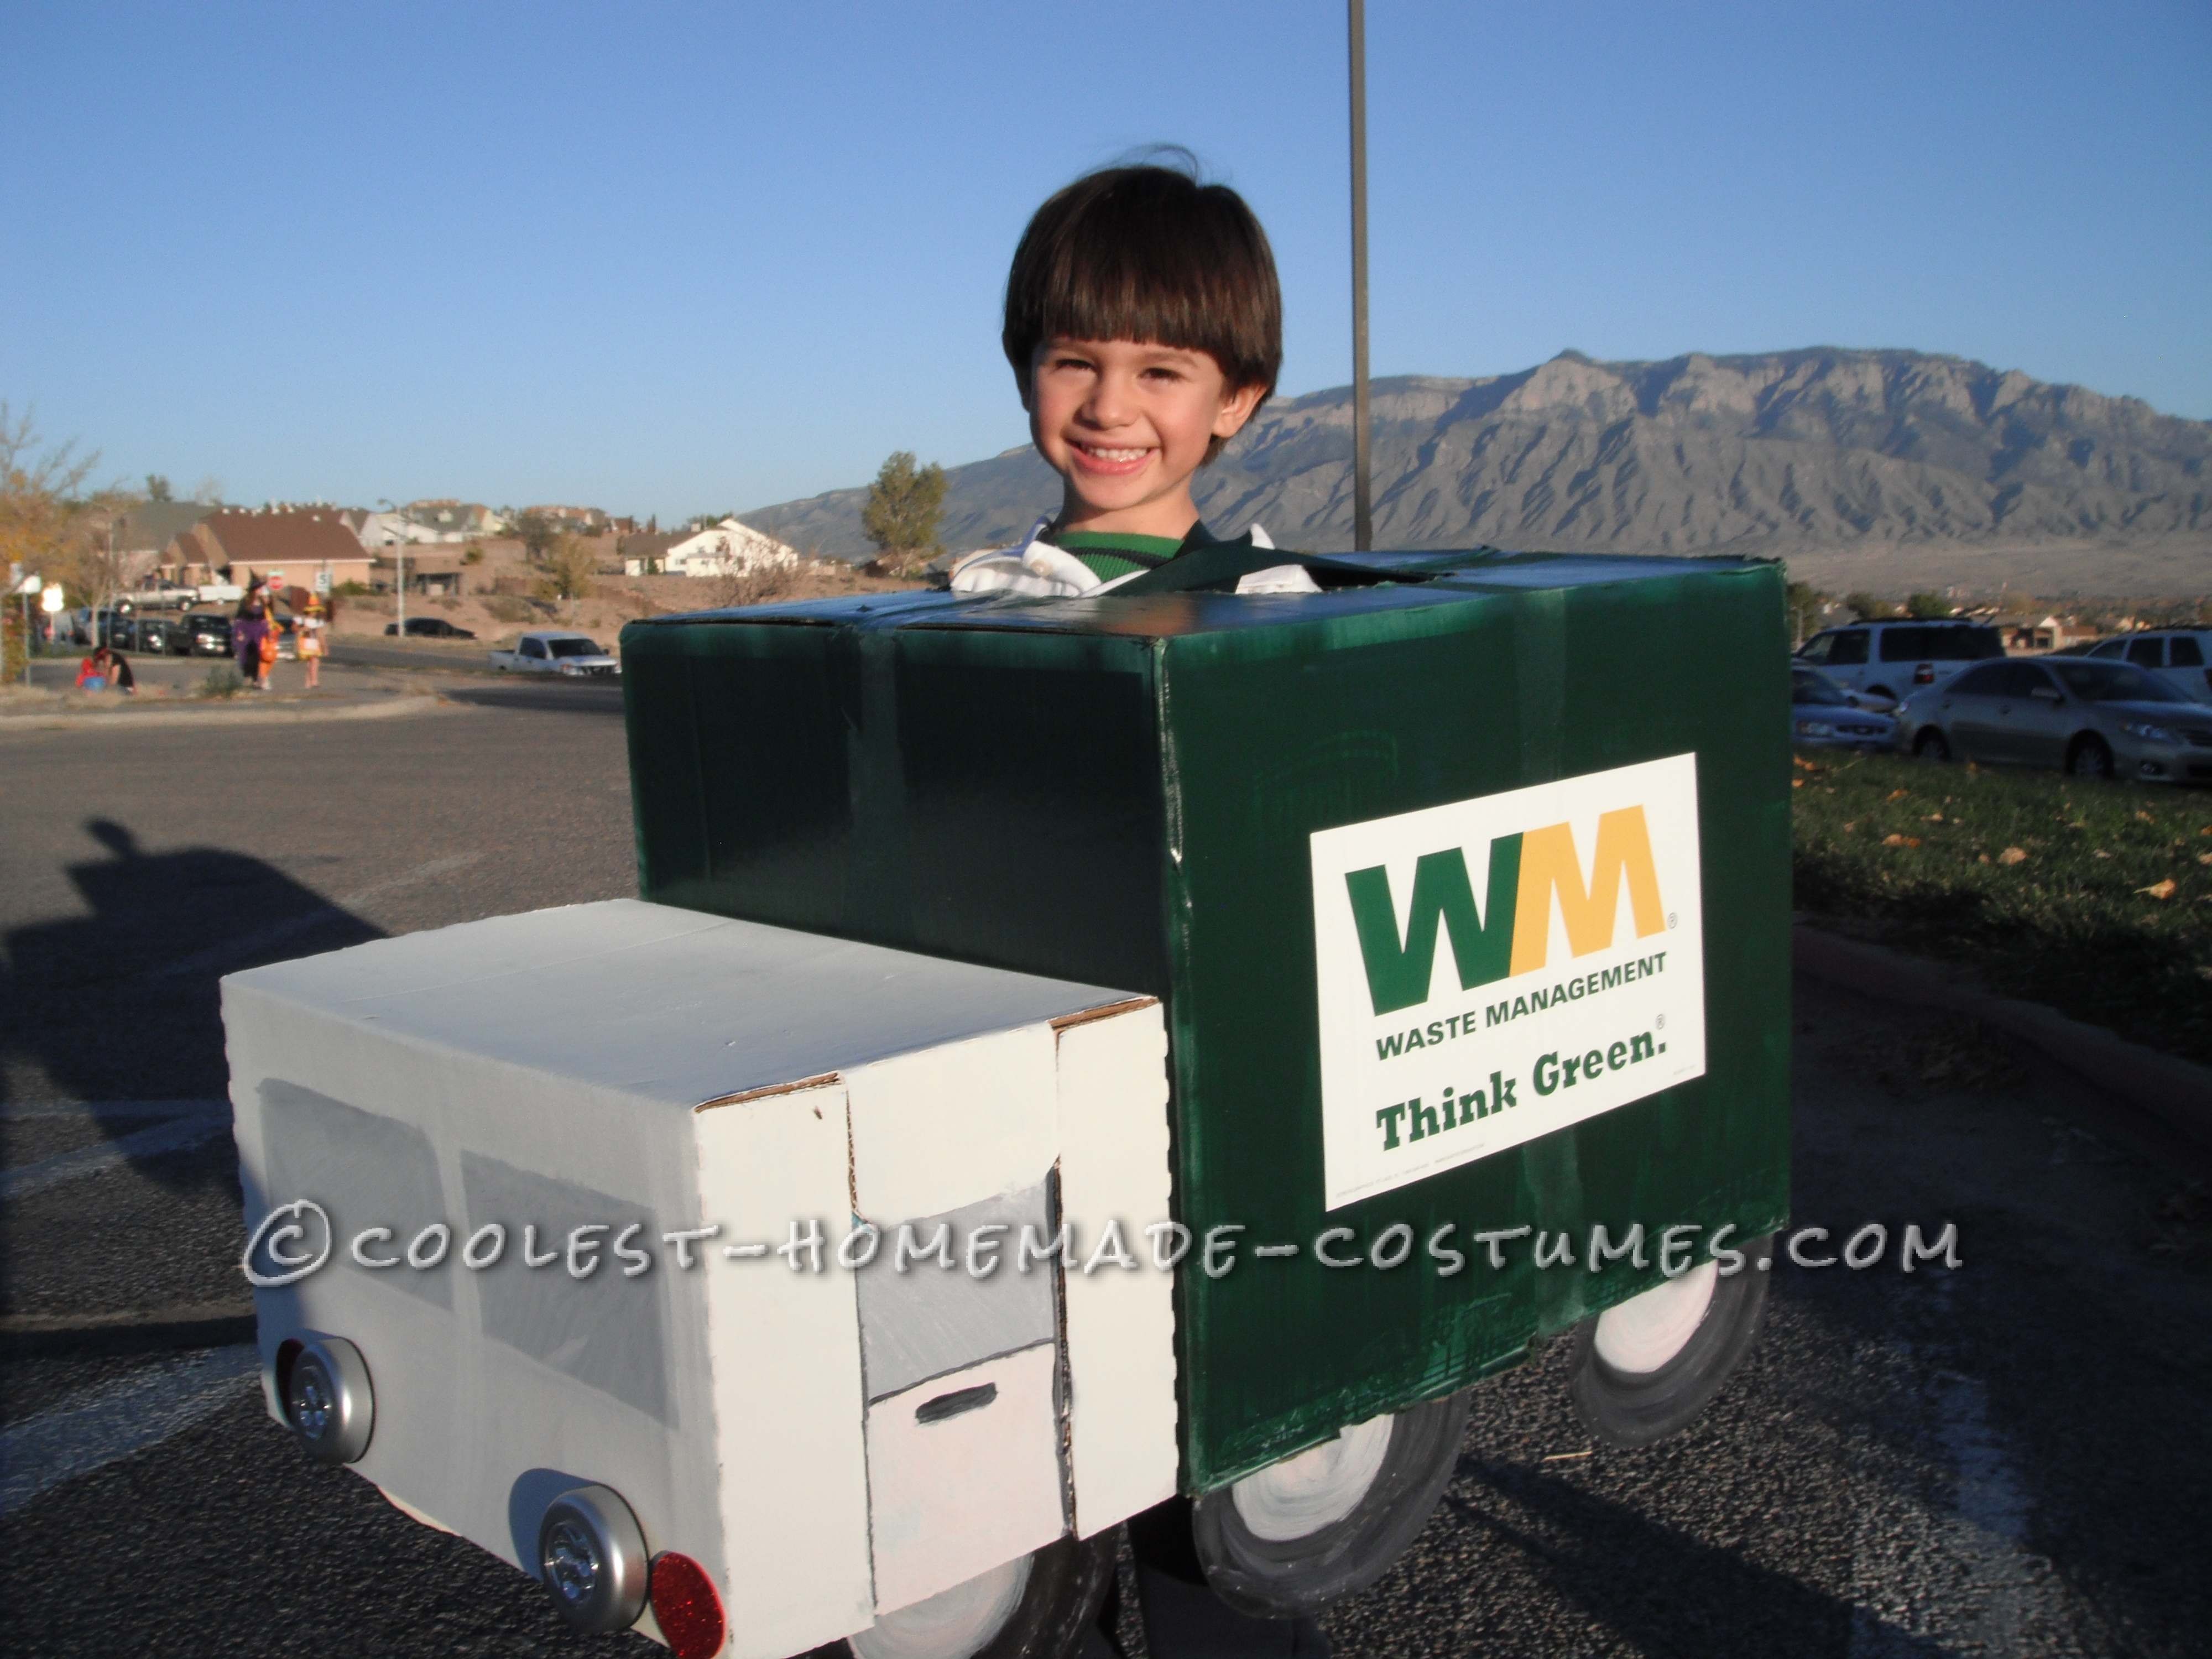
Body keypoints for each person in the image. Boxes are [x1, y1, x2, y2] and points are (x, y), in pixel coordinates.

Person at [948, 158, 1319, 600]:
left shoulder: (1271, 601)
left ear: (1235, 401)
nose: (1108, 410)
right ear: (1025, 378)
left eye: (1159, 373)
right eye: (1075, 364)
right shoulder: (976, 592)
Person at [234, 582, 272, 690]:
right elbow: (239, 618)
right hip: (246, 629)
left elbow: (265, 619)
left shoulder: (262, 602)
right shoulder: (245, 602)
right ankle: (247, 676)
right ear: (254, 590)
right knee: (246, 654)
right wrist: (239, 632)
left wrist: (268, 631)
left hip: (258, 630)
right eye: (259, 589)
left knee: (257, 655)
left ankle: (255, 679)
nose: (260, 591)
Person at [297, 594, 326, 689]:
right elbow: (295, 629)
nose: (313, 613)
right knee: (312, 662)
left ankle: (310, 682)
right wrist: (303, 629)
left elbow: (321, 635)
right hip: (306, 643)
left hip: (315, 643)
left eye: (315, 611)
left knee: (314, 662)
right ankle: (312, 682)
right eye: (312, 611)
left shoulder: (318, 622)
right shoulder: (303, 620)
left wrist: (324, 647)